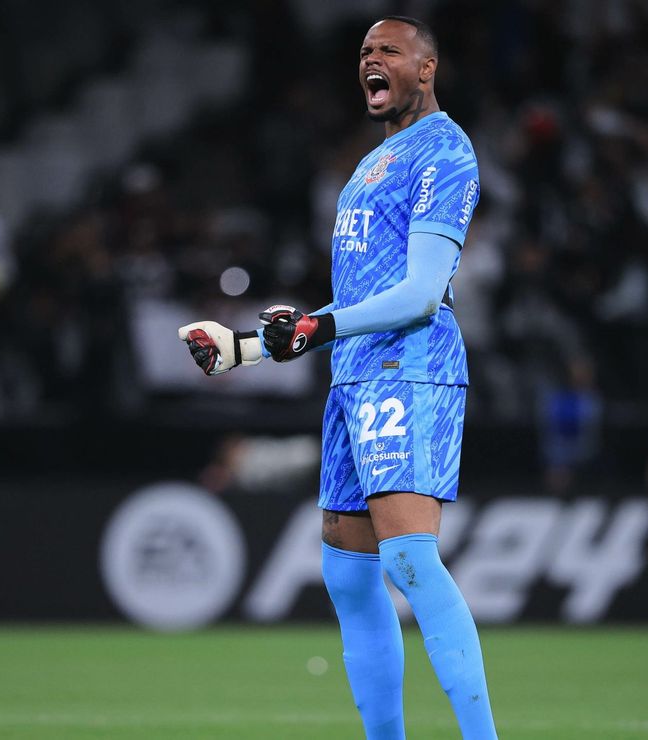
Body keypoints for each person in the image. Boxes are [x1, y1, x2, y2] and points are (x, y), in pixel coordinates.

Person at [178, 16, 497, 739]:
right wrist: (244, 349)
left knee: (410, 561)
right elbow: (354, 303)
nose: (371, 61)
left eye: (389, 51)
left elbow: (419, 293)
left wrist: (320, 329)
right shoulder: (369, 164)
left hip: (408, 370)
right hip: (354, 377)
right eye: (363, 53)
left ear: (427, 68)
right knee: (349, 578)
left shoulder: (445, 151)